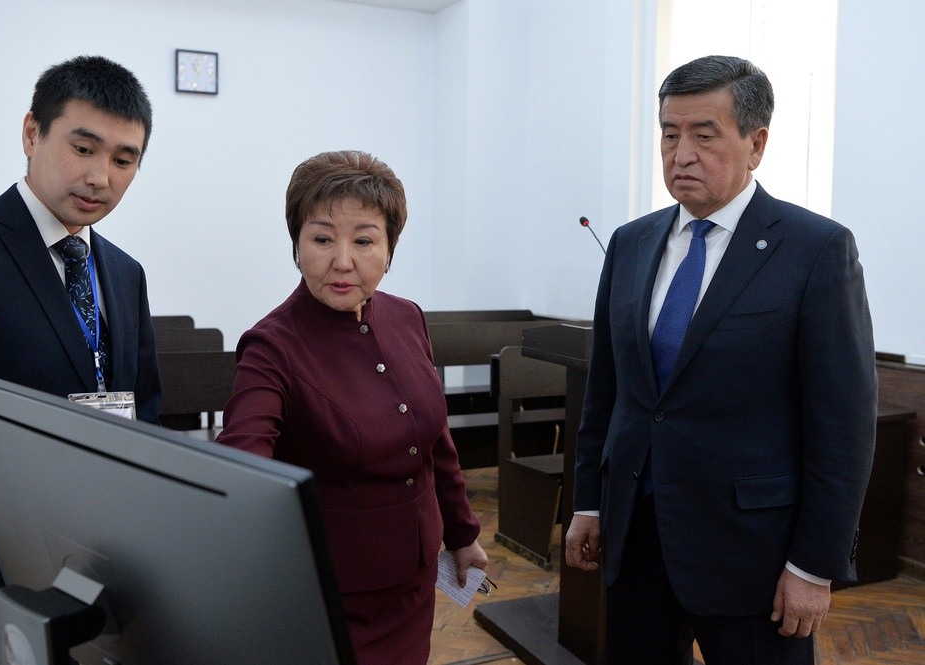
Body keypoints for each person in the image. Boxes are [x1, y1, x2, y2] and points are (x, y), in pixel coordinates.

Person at [564, 55, 877, 665]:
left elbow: (843, 426)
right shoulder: (630, 243)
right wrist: (589, 503)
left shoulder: (815, 249)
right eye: (669, 134)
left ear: (756, 144)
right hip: (636, 538)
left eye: (703, 136)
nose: (681, 155)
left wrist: (814, 564)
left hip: (754, 556)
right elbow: (608, 392)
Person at [0, 55, 162, 665]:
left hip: (99, 583)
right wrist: (37, 568)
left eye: (123, 160)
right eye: (83, 148)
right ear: (32, 133)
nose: (100, 177)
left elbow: (144, 415)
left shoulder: (125, 273)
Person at [216, 150, 487, 665]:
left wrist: (462, 534)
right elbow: (243, 460)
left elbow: (436, 442)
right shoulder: (272, 345)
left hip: (414, 580)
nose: (343, 261)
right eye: (322, 239)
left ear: (389, 248)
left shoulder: (408, 318)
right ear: (297, 245)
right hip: (332, 595)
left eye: (364, 240)